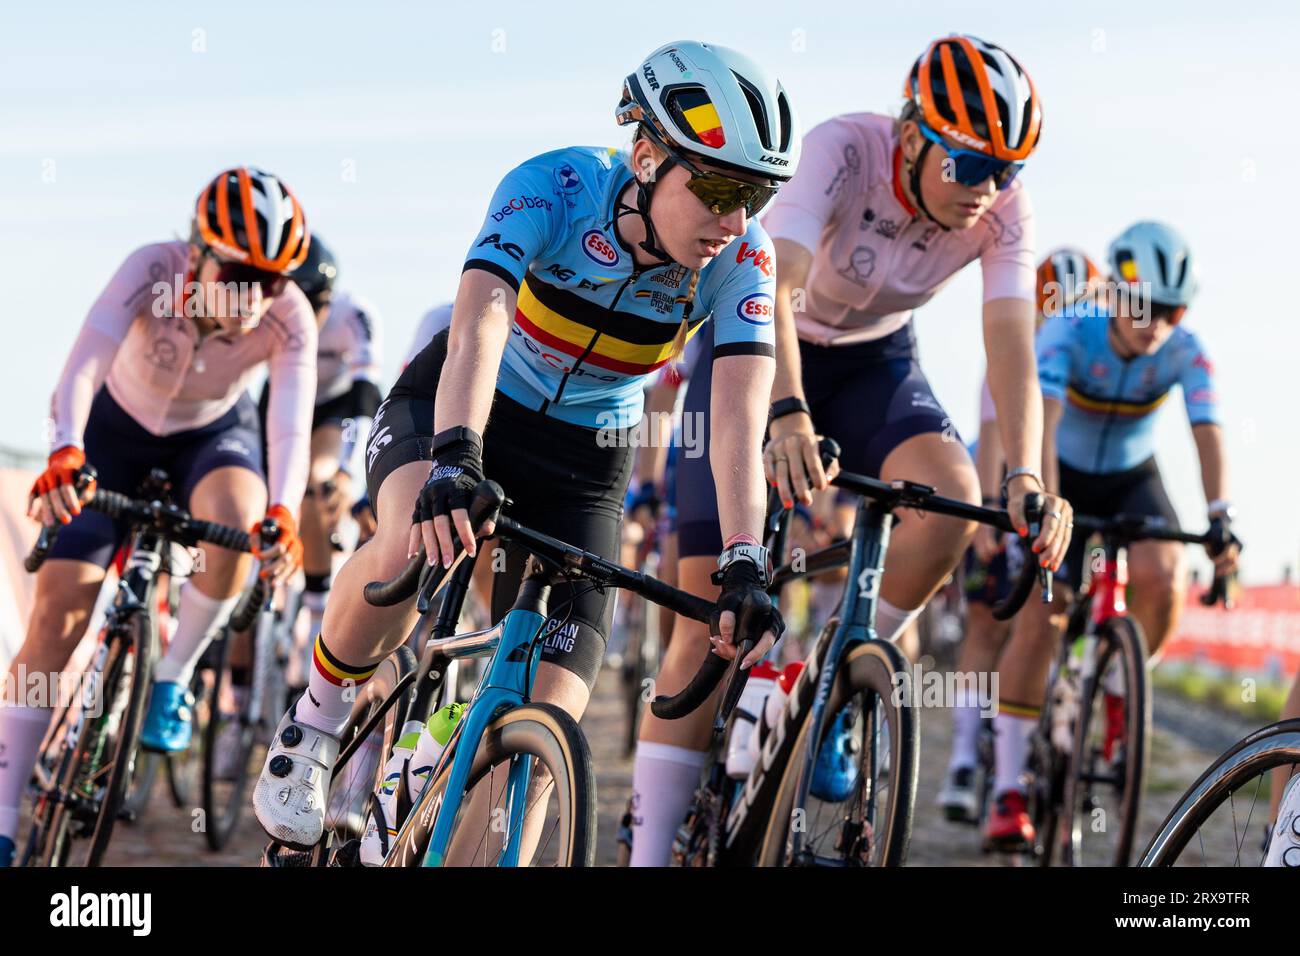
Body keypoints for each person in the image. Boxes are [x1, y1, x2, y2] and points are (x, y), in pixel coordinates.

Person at [252, 41, 800, 860]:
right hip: (467, 405)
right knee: (410, 540)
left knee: (551, 721)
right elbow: (479, 323)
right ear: (646, 155)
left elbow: (735, 423)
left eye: (754, 194)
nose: (734, 218)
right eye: (719, 187)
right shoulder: (556, 186)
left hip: (587, 464)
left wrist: (746, 559)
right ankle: (318, 720)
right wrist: (455, 456)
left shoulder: (744, 259)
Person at [630, 34, 1074, 866]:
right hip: (763, 345)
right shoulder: (842, 149)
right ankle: (649, 847)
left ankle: (827, 678)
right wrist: (788, 410)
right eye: (972, 166)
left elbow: (1011, 339)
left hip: (875, 359)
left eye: (1008, 171)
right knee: (703, 623)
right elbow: (776, 287)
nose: (990, 190)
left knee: (947, 497)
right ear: (913, 139)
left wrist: (1024, 474)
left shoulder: (1003, 209)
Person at [0, 167, 316, 866]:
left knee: (242, 514)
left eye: (272, 281)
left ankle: (171, 676)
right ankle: (2, 816)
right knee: (56, 618)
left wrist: (286, 514)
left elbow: (289, 427)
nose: (255, 297)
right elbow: (83, 364)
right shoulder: (152, 269)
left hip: (210, 438)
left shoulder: (289, 314)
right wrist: (64, 451)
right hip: (115, 430)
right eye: (240, 272)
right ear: (198, 252)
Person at [986, 220, 1241, 849]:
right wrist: (1044, 503)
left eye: (1171, 310)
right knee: (1043, 615)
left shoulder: (1186, 349)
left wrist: (1220, 515)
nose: (1156, 322)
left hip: (1132, 476)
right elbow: (1041, 424)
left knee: (1164, 575)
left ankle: (1117, 684)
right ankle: (1008, 788)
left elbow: (1207, 429)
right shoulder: (1070, 330)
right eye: (1144, 305)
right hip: (1062, 471)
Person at [939, 247, 1100, 821]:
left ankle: (1052, 722)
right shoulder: (1013, 351)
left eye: (1076, 307)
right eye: (1054, 306)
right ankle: (961, 758)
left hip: (1055, 498)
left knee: (1052, 617)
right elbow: (989, 429)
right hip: (1001, 488)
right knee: (985, 622)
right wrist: (984, 511)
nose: (1061, 318)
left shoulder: (1087, 358)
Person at [260, 236, 385, 691]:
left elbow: (365, 398)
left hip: (333, 409)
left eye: (317, 303)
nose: (307, 314)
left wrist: (347, 470)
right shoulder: (276, 313)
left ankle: (315, 607)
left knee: (316, 478)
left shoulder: (355, 314)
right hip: (285, 398)